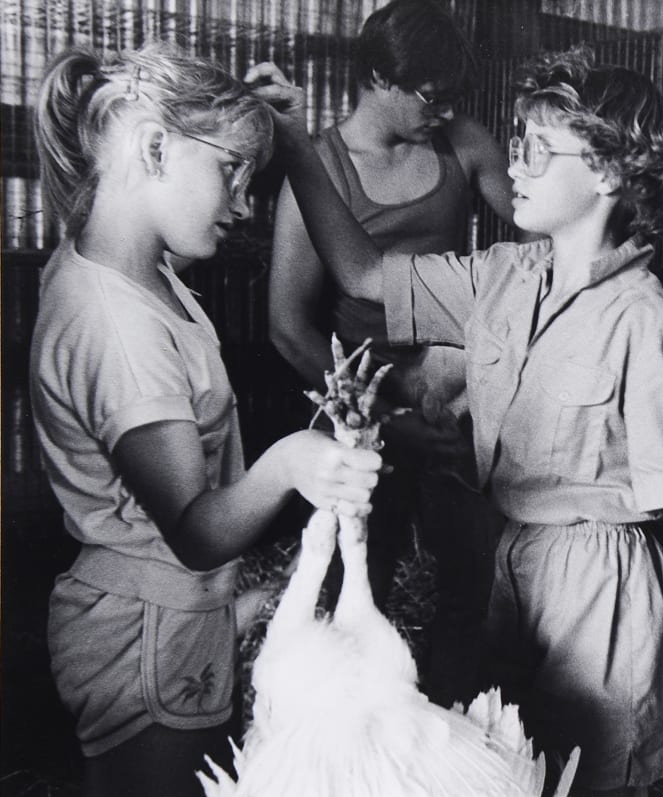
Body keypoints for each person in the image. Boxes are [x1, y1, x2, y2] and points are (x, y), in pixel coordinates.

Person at [248, 46, 663, 797]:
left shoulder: (649, 327)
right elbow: (360, 273)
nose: (512, 164)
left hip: (601, 586)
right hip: (508, 557)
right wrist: (296, 147)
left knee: (589, 779)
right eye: (515, 142)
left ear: (610, 173)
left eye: (536, 149)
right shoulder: (500, 277)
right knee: (505, 773)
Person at [30, 43, 382, 797]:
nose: (246, 203)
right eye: (231, 172)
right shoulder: (118, 330)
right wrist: (290, 461)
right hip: (149, 635)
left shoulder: (128, 265)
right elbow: (195, 531)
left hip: (169, 613)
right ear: (155, 147)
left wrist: (278, 142)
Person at [267, 0, 516, 706]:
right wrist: (379, 414)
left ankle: (453, 728)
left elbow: (533, 228)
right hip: (357, 400)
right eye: (432, 97)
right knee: (357, 578)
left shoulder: (461, 143)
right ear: (379, 77)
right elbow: (289, 327)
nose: (446, 112)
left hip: (452, 392)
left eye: (453, 99)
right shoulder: (318, 170)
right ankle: (358, 735)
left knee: (475, 575)